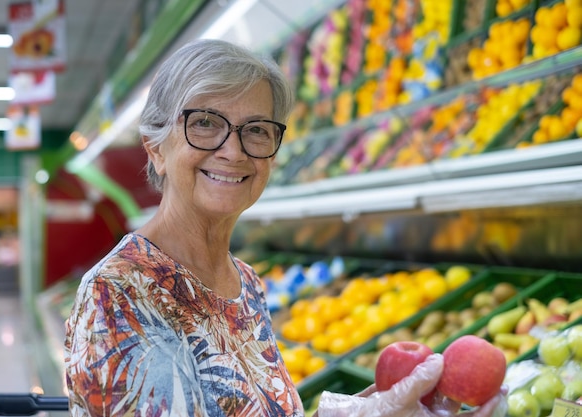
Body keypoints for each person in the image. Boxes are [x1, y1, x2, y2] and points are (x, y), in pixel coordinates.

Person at [64, 39, 507, 417]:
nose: (233, 151)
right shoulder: (119, 294)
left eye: (256, 130)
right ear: (156, 148)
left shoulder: (246, 284)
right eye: (204, 123)